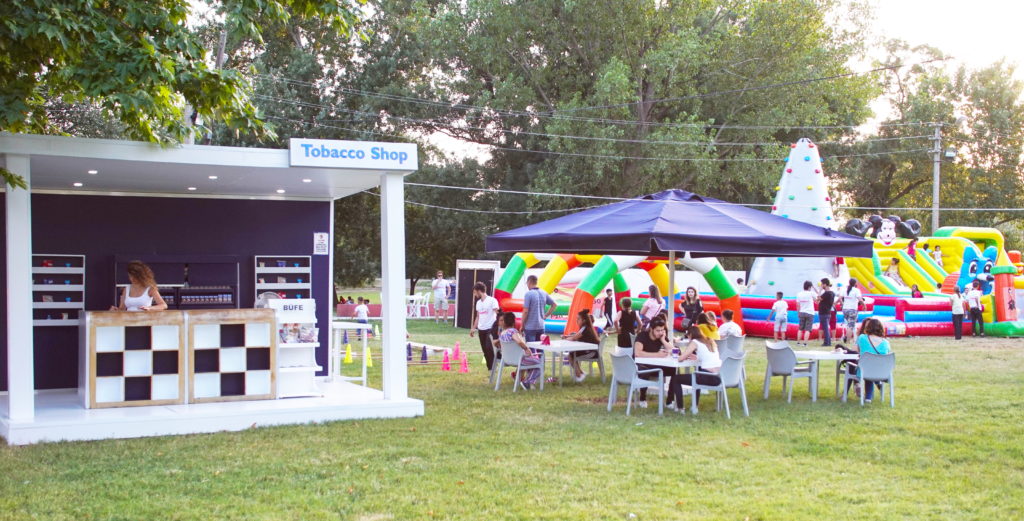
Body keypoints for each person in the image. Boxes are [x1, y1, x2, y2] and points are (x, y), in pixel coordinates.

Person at [667, 326, 721, 414]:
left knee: (676, 379)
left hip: (707, 376)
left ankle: (680, 408)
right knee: (696, 375)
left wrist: (674, 354)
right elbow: (708, 356)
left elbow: (681, 358)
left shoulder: (695, 342)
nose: (688, 339)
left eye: (688, 337)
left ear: (691, 335)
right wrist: (697, 357)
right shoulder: (710, 340)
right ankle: (694, 406)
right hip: (718, 376)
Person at [632, 318, 677, 409]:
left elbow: (675, 351)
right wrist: (657, 355)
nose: (660, 332)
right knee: (646, 371)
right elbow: (637, 353)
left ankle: (669, 400)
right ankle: (642, 398)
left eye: (662, 330)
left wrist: (664, 340)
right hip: (639, 366)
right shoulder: (642, 336)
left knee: (673, 369)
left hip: (654, 365)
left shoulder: (661, 337)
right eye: (657, 330)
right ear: (651, 329)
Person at [848, 318, 892, 402]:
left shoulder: (862, 338)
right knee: (872, 366)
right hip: (882, 372)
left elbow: (855, 351)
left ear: (868, 327)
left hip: (866, 370)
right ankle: (873, 389)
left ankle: (868, 397)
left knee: (867, 367)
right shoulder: (886, 343)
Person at [497, 312, 541, 389]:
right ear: (514, 322)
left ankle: (519, 376)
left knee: (531, 362)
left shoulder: (502, 333)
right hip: (519, 360)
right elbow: (519, 341)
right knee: (539, 363)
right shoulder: (513, 331)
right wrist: (527, 349)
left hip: (507, 359)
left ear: (504, 322)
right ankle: (527, 382)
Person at [469, 281, 501, 370]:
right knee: (485, 350)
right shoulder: (478, 303)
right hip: (481, 329)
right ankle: (490, 368)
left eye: (475, 292)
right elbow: (478, 316)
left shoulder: (492, 300)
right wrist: (473, 328)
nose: (474, 295)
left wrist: (499, 327)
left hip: (490, 328)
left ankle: (497, 360)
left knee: (489, 347)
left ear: (479, 291)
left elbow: (498, 313)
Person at [563, 309, 601, 382]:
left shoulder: (585, 328)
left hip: (592, 353)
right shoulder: (586, 327)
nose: (577, 320)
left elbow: (574, 338)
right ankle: (580, 373)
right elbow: (575, 336)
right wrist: (568, 337)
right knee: (572, 353)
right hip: (592, 351)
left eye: (578, 319)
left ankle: (579, 375)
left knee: (571, 355)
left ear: (584, 320)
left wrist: (566, 338)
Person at [521, 275, 556, 342]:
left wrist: (522, 325)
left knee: (532, 350)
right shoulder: (543, 293)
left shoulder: (528, 294)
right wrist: (546, 315)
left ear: (529, 282)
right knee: (540, 348)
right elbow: (554, 305)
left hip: (530, 327)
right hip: (541, 326)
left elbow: (525, 311)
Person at [841, 278, 864, 343]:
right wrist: (864, 305)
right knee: (850, 326)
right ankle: (848, 340)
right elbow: (860, 299)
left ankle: (846, 336)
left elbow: (840, 298)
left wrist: (841, 304)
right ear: (855, 283)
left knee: (848, 324)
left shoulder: (845, 290)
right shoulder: (856, 290)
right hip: (852, 309)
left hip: (845, 309)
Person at [795, 281, 816, 347]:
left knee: (800, 329)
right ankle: (805, 343)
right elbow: (817, 298)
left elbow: (798, 305)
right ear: (810, 287)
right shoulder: (811, 293)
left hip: (802, 312)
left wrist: (798, 312)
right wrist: (814, 288)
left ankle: (798, 342)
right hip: (810, 312)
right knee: (808, 329)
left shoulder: (799, 294)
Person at [818, 278, 836, 347]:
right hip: (827, 312)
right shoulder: (831, 293)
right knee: (826, 328)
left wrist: (820, 290)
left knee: (825, 328)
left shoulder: (827, 293)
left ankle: (827, 342)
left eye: (822, 284)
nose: (821, 285)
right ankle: (828, 341)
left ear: (825, 284)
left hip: (824, 312)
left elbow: (818, 298)